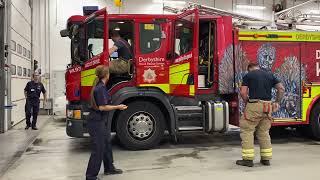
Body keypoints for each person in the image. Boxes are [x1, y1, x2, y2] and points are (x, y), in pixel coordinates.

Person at [236, 63, 285, 167]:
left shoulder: (248, 75)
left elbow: (243, 92)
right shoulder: (269, 75)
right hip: (268, 106)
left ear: (249, 69)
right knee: (264, 132)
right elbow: (281, 89)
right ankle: (266, 159)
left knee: (247, 130)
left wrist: (246, 102)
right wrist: (277, 102)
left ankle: (248, 160)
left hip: (254, 105)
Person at [86, 65, 127, 180]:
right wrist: (118, 106)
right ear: (107, 75)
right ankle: (90, 176)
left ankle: (109, 168)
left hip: (100, 121)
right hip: (96, 122)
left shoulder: (101, 87)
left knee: (107, 144)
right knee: (98, 149)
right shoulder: (100, 89)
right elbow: (102, 107)